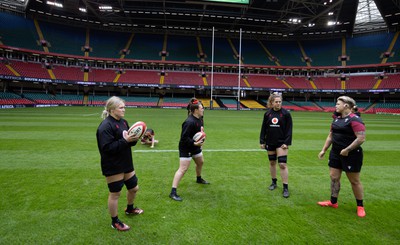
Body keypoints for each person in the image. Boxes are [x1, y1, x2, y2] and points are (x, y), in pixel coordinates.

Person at [96, 96, 144, 231]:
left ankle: (129, 209)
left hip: (126, 162)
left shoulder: (123, 122)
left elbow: (129, 142)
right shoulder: (105, 126)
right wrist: (126, 141)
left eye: (124, 107)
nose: (124, 109)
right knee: (115, 194)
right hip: (113, 165)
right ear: (112, 109)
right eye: (121, 107)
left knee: (134, 188)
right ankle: (115, 221)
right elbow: (106, 149)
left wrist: (136, 138)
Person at [317, 96, 366, 217]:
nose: (336, 106)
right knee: (334, 177)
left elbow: (361, 138)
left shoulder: (355, 120)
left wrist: (347, 149)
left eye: (338, 104)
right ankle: (333, 202)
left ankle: (360, 206)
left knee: (354, 181)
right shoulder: (336, 119)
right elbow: (330, 136)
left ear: (346, 106)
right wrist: (324, 150)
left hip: (352, 154)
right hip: (335, 153)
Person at [169, 98, 209, 201]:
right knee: (183, 169)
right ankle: (173, 192)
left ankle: (199, 179)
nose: (203, 109)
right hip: (186, 147)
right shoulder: (189, 122)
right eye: (201, 108)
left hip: (195, 146)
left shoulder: (200, 118)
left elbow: (199, 132)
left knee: (200, 162)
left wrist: (201, 139)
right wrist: (195, 143)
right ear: (196, 110)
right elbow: (184, 138)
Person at [259, 92, 293, 198]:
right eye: (276, 102)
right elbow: (263, 128)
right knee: (272, 162)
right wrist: (262, 141)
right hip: (270, 142)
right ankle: (274, 182)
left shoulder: (286, 114)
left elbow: (289, 129)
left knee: (282, 164)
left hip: (281, 143)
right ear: (271, 103)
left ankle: (285, 187)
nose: (278, 103)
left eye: (280, 102)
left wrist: (286, 143)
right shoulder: (267, 114)